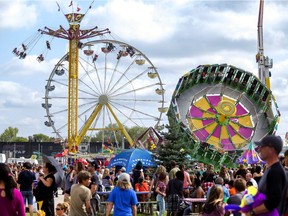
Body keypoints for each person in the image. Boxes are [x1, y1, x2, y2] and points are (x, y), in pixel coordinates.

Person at [252, 135, 287, 216]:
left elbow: (273, 202)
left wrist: (252, 212)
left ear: (271, 149)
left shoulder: (275, 171)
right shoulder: (271, 169)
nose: (259, 148)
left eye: (262, 146)